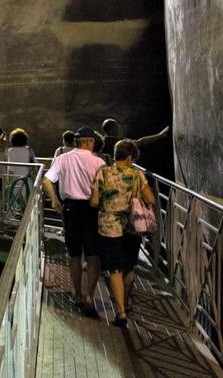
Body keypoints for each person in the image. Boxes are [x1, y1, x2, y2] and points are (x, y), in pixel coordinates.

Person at [90, 138, 155, 327]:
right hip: (132, 228)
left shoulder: (103, 172)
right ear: (129, 158)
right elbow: (150, 198)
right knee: (129, 268)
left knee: (115, 269)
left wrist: (106, 203)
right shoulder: (136, 175)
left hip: (109, 227)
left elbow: (94, 201)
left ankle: (121, 312)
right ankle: (125, 302)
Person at [43, 126, 105, 316]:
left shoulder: (63, 158)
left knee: (74, 254)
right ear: (89, 142)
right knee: (93, 255)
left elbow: (47, 180)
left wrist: (54, 199)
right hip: (93, 210)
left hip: (71, 209)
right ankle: (89, 296)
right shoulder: (100, 162)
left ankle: (77, 294)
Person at [101, 117, 170, 161]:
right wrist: (159, 135)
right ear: (110, 130)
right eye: (116, 126)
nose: (119, 128)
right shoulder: (119, 142)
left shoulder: (100, 142)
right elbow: (141, 142)